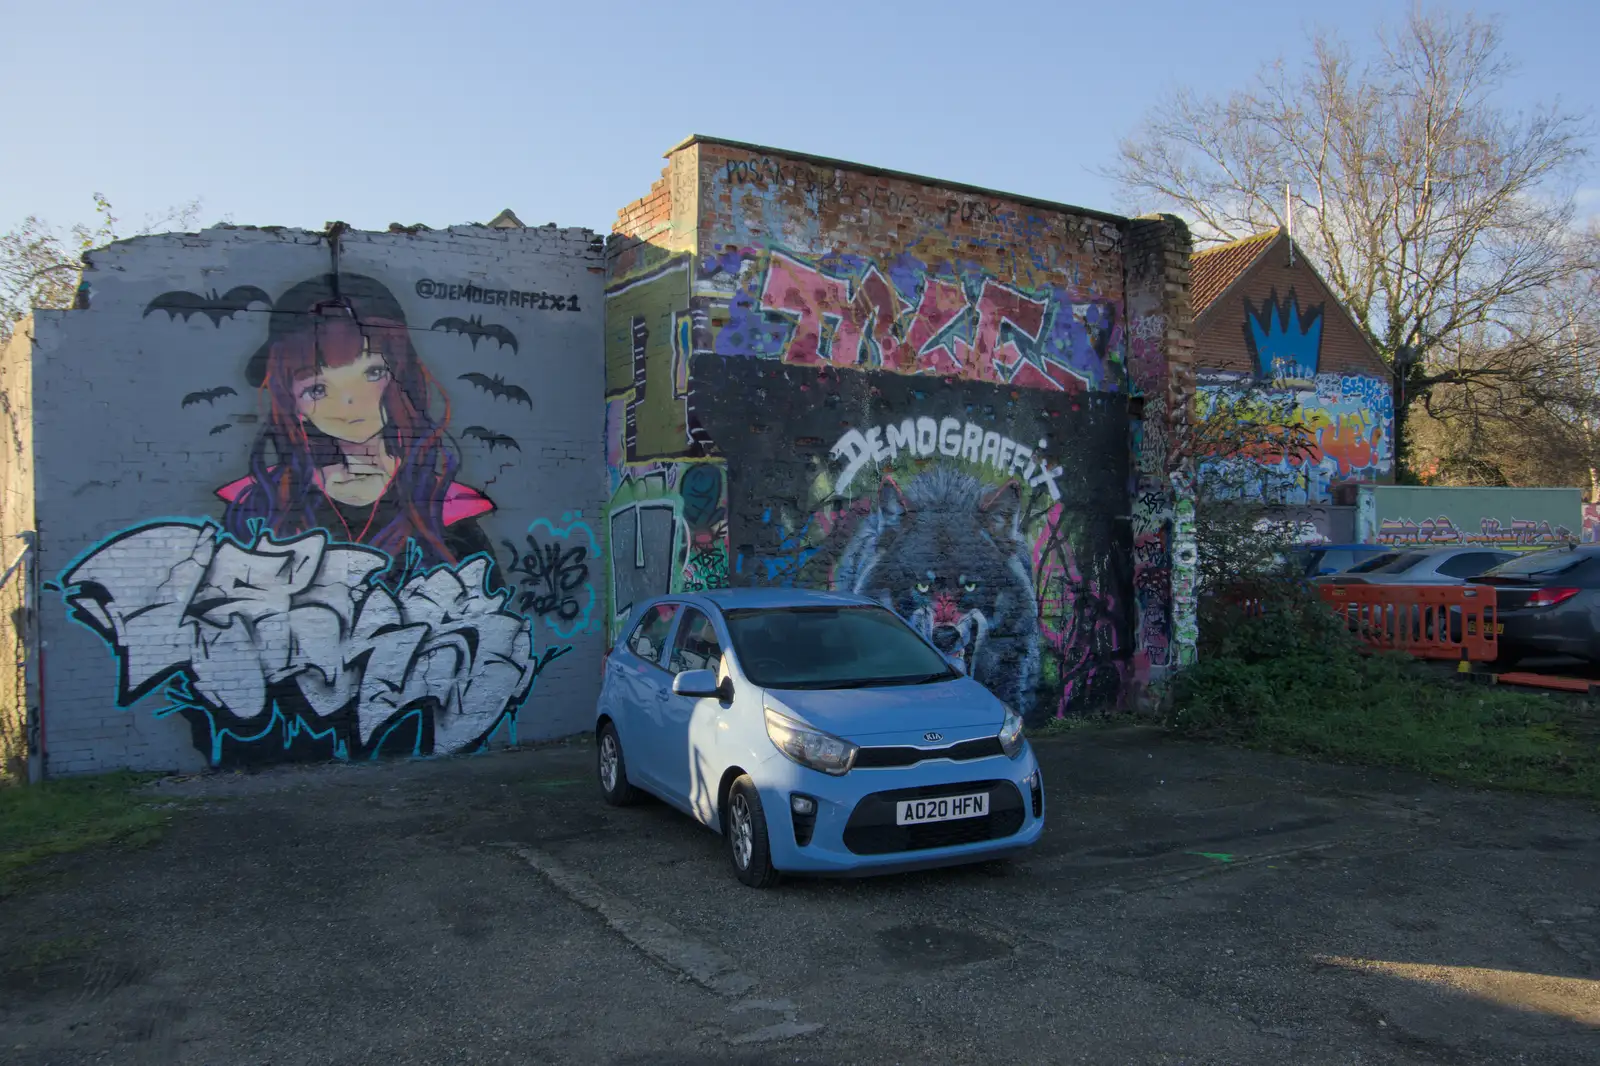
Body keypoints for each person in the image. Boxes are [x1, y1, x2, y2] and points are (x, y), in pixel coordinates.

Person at [218, 273, 499, 581]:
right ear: (294, 405)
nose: (350, 403)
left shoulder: (443, 505)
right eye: (318, 389)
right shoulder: (263, 503)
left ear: (401, 377)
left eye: (372, 372)